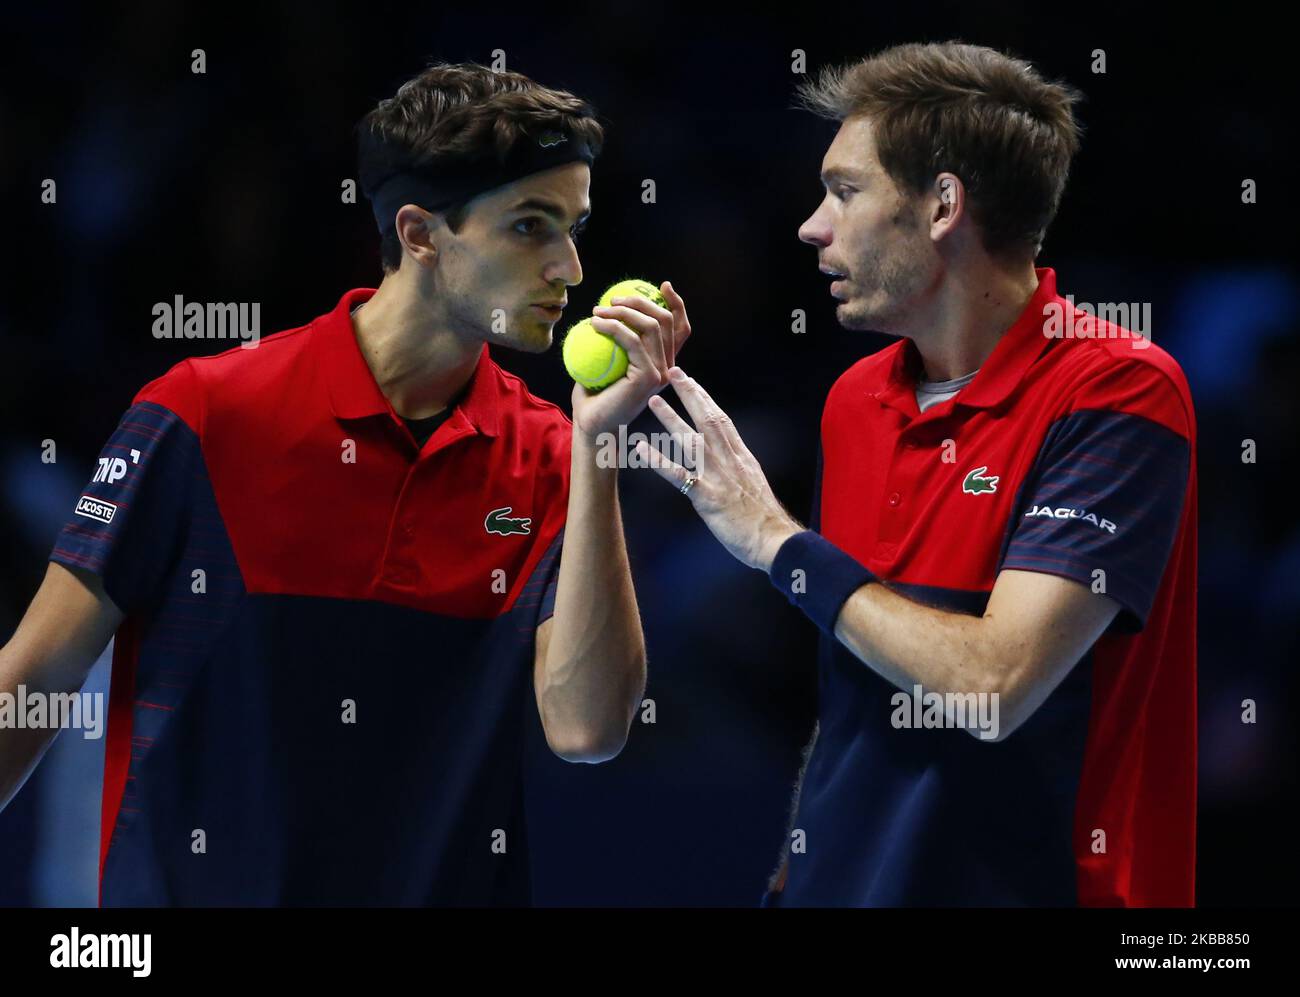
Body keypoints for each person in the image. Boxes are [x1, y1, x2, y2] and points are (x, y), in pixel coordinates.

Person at [0, 62, 690, 905]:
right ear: (421, 232)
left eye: (574, 227)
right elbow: (31, 682)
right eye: (530, 226)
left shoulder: (552, 453)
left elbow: (586, 727)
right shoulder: (205, 413)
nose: (570, 268)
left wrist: (598, 448)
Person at [636, 42, 1197, 906]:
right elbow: (861, 667)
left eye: (845, 190)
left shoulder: (1118, 387)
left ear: (942, 205)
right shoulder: (855, 399)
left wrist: (777, 541)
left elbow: (994, 685)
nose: (811, 226)